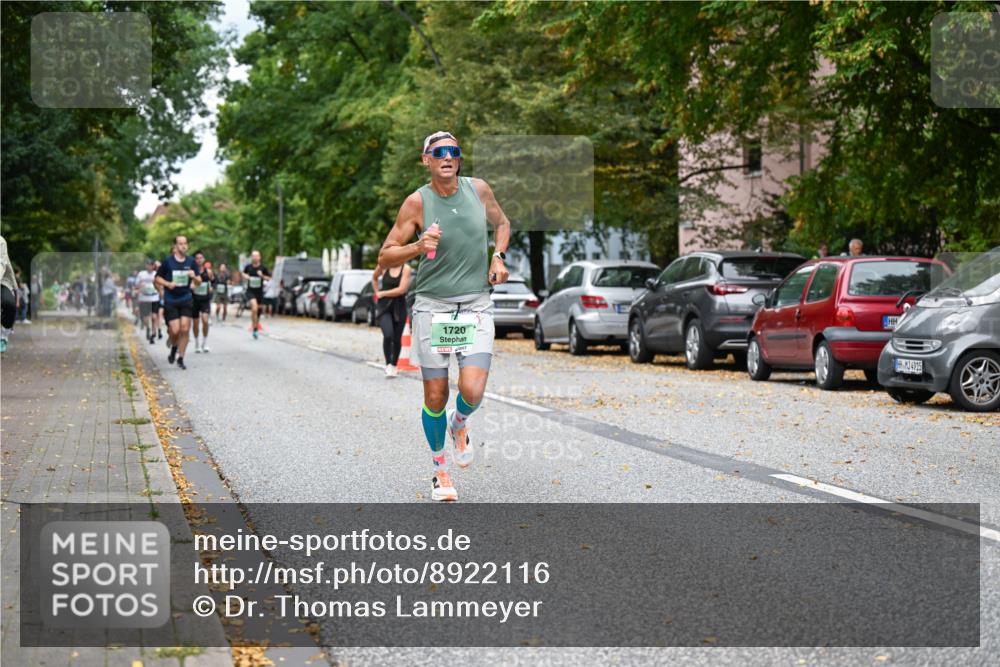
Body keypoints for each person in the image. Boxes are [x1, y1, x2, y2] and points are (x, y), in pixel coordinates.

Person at [378, 131, 511, 502]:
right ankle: (440, 471)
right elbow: (385, 256)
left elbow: (502, 224)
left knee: (473, 389)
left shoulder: (479, 190)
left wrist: (498, 256)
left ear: (459, 158)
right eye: (439, 153)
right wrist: (418, 246)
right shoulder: (416, 203)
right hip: (434, 307)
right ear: (427, 160)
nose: (447, 157)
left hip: (475, 305)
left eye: (453, 151)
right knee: (436, 395)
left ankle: (460, 422)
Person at [154, 235, 201, 370]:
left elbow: (199, 282)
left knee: (185, 329)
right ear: (175, 246)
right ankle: (174, 347)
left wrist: (194, 277)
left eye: (185, 243)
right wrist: (168, 284)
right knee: (175, 331)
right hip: (171, 299)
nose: (183, 246)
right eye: (180, 243)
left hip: (186, 298)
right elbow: (157, 279)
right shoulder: (168, 262)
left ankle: (181, 358)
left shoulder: (191, 262)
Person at [372, 262, 412, 377]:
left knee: (397, 338)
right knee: (388, 334)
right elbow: (374, 277)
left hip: (399, 306)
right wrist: (376, 291)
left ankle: (394, 365)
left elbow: (401, 290)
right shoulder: (384, 266)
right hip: (384, 306)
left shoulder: (406, 268)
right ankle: (388, 364)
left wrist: (382, 293)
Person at [242, 250, 270, 339]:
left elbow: (269, 278)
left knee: (258, 312)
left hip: (259, 292)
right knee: (254, 308)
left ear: (259, 257)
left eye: (256, 256)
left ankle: (255, 327)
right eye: (253, 256)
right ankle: (254, 327)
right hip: (250, 291)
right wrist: (245, 276)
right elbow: (243, 273)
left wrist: (262, 276)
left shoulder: (263, 268)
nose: (254, 257)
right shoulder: (248, 267)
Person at [191, 250, 214, 353]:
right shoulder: (192, 272)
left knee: (205, 320)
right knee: (195, 324)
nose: (199, 260)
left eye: (201, 258)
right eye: (197, 258)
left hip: (205, 299)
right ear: (194, 260)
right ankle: (196, 343)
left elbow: (213, 281)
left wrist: (211, 287)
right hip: (194, 300)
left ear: (204, 259)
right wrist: (191, 286)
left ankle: (205, 342)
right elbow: (189, 284)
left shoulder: (208, 271)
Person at [135, 258, 160, 344]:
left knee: (154, 317)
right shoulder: (141, 274)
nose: (149, 267)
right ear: (146, 266)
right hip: (144, 298)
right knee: (145, 317)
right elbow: (136, 285)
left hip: (154, 298)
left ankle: (153, 333)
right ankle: (148, 328)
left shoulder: (156, 274)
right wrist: (140, 285)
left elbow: (161, 285)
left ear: (153, 266)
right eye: (148, 265)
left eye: (151, 265)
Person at [0, 236, 18, 353]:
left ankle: (4, 334)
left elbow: (1, 264)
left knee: (8, 304)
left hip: (2, 280)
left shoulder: (1, 241)